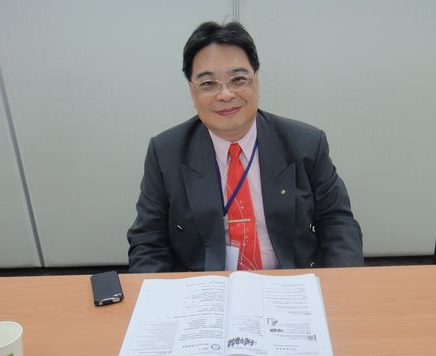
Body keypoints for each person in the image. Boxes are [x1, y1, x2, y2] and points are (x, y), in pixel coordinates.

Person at [127, 21, 363, 273]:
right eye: (208, 84)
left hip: (288, 282)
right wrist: (157, 294)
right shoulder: (166, 153)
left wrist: (343, 285)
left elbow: (337, 222)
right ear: (192, 91)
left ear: (256, 82)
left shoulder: (306, 143)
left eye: (238, 79)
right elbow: (148, 242)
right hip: (205, 287)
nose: (225, 94)